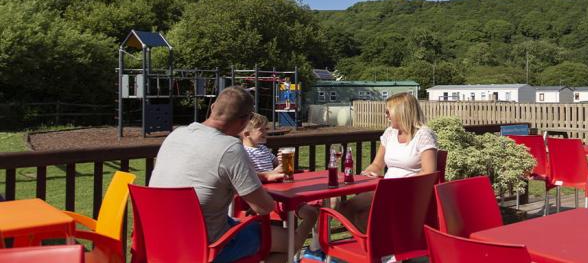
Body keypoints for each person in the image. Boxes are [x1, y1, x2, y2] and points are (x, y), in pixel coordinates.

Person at [149, 86, 301, 263]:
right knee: (292, 242)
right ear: (245, 121)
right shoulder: (229, 148)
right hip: (207, 247)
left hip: (160, 241)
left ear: (213, 107)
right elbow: (264, 208)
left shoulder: (176, 135)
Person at [337, 92, 438, 231]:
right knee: (345, 208)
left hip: (410, 193)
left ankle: (381, 245)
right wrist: (368, 172)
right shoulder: (390, 133)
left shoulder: (423, 135)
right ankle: (377, 245)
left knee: (366, 215)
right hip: (386, 189)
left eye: (388, 112)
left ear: (401, 112)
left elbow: (428, 172)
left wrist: (398, 185)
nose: (386, 115)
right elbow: (377, 165)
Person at [241, 113, 322, 261]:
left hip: (284, 196)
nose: (266, 132)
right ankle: (297, 247)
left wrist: (282, 163)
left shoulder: (263, 150)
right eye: (261, 130)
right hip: (264, 201)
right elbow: (249, 176)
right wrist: (272, 173)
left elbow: (278, 169)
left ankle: (310, 248)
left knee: (311, 212)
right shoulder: (242, 153)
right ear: (247, 134)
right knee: (281, 247)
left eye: (266, 128)